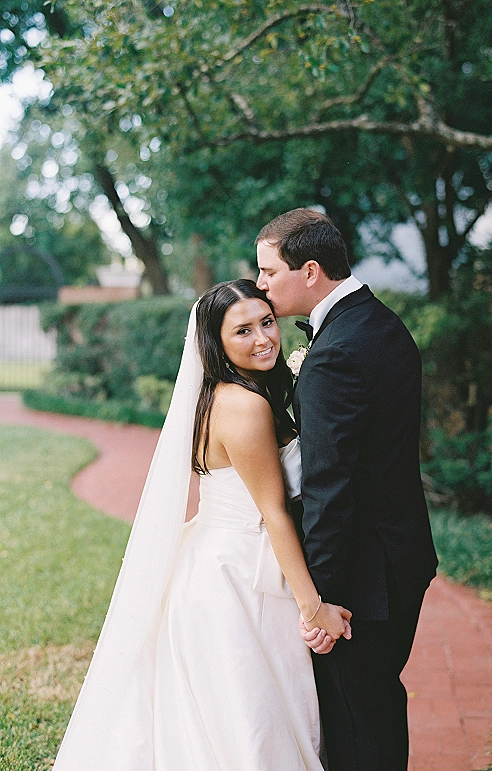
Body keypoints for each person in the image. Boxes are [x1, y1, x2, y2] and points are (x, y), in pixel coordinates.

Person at [52, 279, 351, 771]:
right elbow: (273, 513)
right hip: (239, 578)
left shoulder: (221, 394)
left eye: (267, 322)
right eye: (243, 331)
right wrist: (312, 608)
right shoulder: (245, 406)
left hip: (212, 561)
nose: (263, 339)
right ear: (216, 343)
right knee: (249, 723)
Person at [256, 209, 439, 771]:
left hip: (363, 577)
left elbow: (330, 487)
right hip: (397, 554)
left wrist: (324, 598)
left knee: (358, 722)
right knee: (377, 706)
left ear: (310, 271)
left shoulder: (336, 353)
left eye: (268, 271)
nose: (260, 284)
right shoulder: (378, 322)